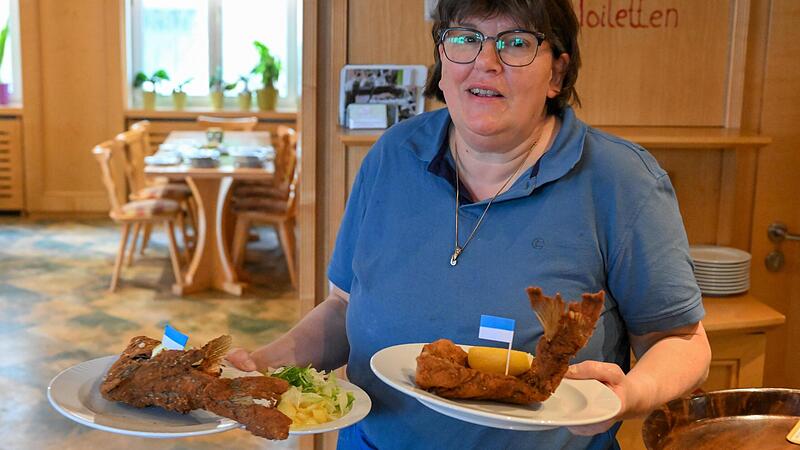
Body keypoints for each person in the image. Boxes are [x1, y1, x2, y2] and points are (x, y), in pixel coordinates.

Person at [227, 0, 711, 448]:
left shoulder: (622, 180)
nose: (486, 61)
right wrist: (268, 363)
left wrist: (631, 394)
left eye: (516, 43)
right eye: (465, 38)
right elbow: (343, 309)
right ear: (443, 59)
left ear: (557, 74)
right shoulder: (393, 155)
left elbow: (684, 341)